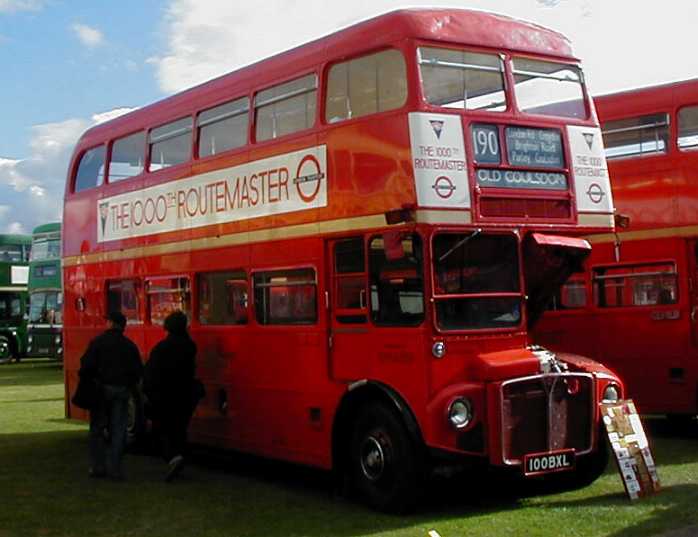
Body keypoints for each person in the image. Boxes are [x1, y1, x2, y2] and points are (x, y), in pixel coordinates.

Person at [78, 310, 143, 480]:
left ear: (112, 324)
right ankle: (115, 468)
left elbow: (86, 366)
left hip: (101, 390)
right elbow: (137, 371)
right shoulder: (129, 345)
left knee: (98, 429)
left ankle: (98, 466)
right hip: (121, 390)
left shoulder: (98, 343)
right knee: (119, 430)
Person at [144, 310, 200, 482]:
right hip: (186, 393)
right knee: (179, 428)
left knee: (161, 429)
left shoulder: (162, 348)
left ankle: (173, 458)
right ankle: (180, 456)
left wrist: (148, 391)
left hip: (164, 394)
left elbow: (151, 373)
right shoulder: (190, 346)